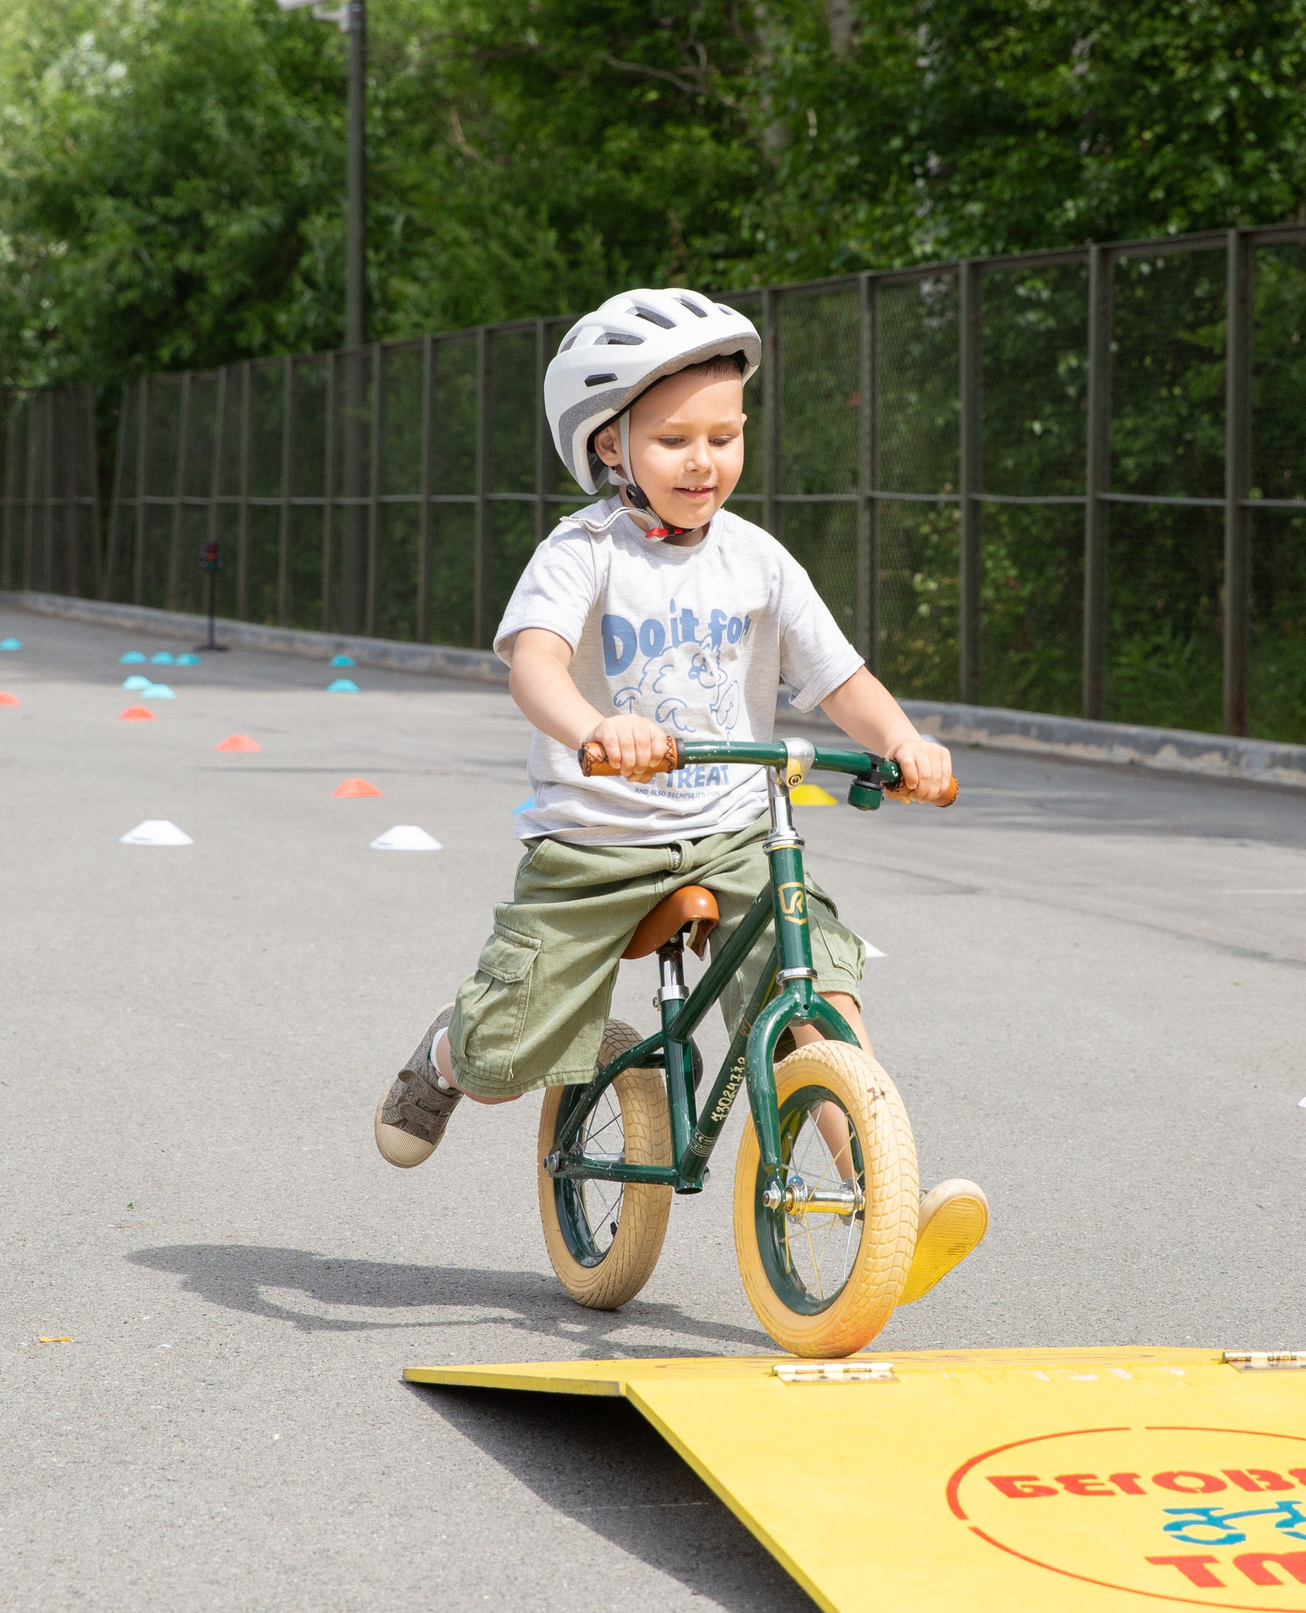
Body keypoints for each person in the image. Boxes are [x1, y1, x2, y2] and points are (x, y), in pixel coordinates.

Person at [372, 288, 988, 1303]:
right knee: (508, 1046)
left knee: (815, 989)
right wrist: (590, 727)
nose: (704, 459)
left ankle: (880, 1196)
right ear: (609, 445)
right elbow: (534, 664)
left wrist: (904, 740)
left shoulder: (758, 559)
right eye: (673, 439)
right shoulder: (581, 554)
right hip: (595, 840)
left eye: (724, 435)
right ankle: (449, 1051)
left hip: (733, 831)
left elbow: (838, 677)